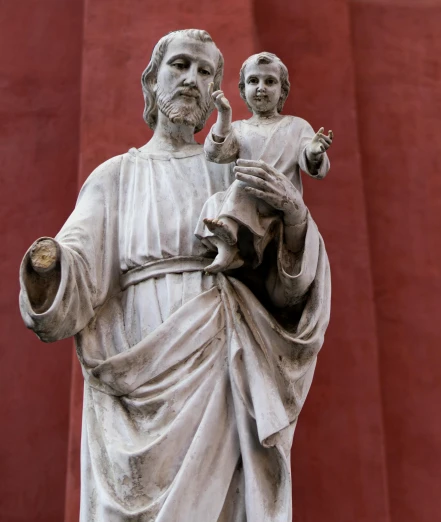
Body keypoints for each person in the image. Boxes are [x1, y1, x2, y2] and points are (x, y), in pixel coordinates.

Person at [18, 29, 330, 522]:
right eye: (180, 66)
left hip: (219, 360)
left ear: (216, 95)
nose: (191, 79)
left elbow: (285, 290)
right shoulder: (116, 175)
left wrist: (294, 217)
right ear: (152, 80)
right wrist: (49, 268)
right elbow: (78, 268)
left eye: (205, 72)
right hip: (132, 367)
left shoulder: (233, 172)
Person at [198, 51, 333, 273]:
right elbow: (215, 153)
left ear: (282, 92)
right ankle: (225, 247)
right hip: (246, 204)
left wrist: (314, 152)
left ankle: (228, 234)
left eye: (270, 81)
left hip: (277, 206)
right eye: (253, 81)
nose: (261, 87)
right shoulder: (239, 129)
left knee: (243, 183)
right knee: (215, 200)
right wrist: (223, 116)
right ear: (242, 90)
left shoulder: (296, 126)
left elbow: (312, 162)